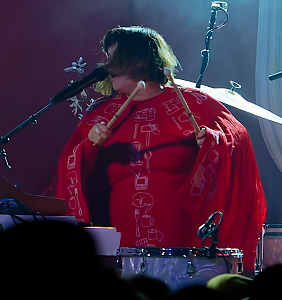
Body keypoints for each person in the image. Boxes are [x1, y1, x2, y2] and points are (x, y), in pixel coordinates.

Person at [55, 26, 265, 270]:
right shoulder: (100, 114)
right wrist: (88, 146)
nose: (106, 66)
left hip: (184, 240)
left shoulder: (195, 104)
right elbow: (70, 172)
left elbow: (236, 141)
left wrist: (211, 141)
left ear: (137, 59)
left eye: (113, 58)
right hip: (120, 241)